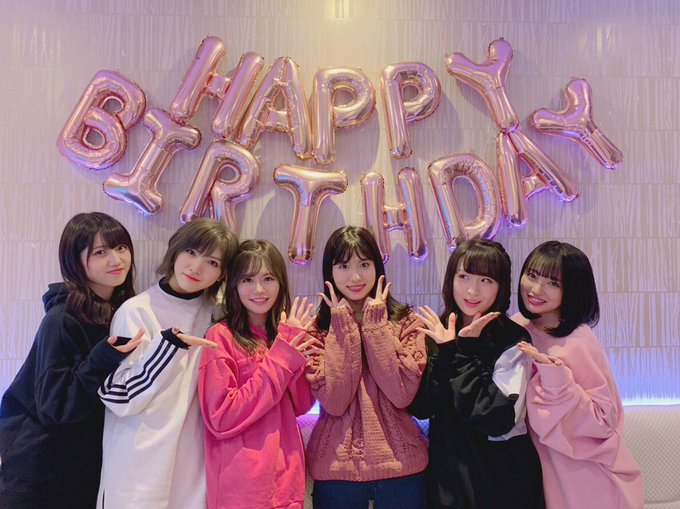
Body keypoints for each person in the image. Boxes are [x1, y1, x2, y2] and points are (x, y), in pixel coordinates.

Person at [0, 212, 141, 509]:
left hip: (83, 471)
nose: (116, 260)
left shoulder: (121, 313)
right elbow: (56, 407)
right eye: (100, 252)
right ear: (74, 260)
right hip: (41, 474)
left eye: (120, 248)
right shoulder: (62, 319)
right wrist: (102, 358)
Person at [97, 218, 239, 509]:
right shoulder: (136, 311)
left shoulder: (217, 315)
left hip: (193, 462)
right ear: (175, 250)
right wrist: (169, 346)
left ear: (223, 273)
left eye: (212, 262)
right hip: (138, 463)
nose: (196, 267)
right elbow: (121, 398)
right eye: (191, 252)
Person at [409, 238, 544, 509]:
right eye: (464, 277)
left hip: (503, 483)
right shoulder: (439, 331)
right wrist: (446, 351)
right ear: (451, 279)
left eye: (486, 280)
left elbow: (497, 419)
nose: (472, 290)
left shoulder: (513, 338)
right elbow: (422, 407)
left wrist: (465, 353)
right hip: (450, 479)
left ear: (500, 286)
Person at [514, 240, 643, 509]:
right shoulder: (518, 326)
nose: (536, 289)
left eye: (553, 283)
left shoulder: (579, 341)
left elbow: (604, 419)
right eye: (532, 275)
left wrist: (556, 379)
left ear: (572, 290)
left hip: (585, 479)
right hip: (536, 473)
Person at [305, 226, 428, 509]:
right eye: (343, 266)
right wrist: (343, 326)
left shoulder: (406, 322)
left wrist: (374, 326)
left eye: (364, 264)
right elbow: (335, 401)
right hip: (337, 475)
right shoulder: (317, 331)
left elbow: (401, 394)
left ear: (377, 267)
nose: (355, 277)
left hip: (403, 471)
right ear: (330, 272)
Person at [199, 239, 317, 509]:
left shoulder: (282, 334)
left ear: (281, 283)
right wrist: (282, 356)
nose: (259, 289)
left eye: (268, 278)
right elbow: (221, 417)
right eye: (248, 280)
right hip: (241, 488)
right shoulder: (220, 337)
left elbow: (302, 405)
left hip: (287, 481)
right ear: (233, 284)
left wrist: (292, 343)